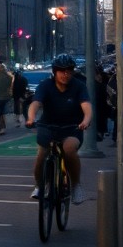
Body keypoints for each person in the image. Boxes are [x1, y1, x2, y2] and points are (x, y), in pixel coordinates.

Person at [26, 53, 93, 205]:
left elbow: (87, 107)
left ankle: (75, 186)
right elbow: (35, 103)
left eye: (69, 70)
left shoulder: (79, 86)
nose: (65, 74)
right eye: (62, 71)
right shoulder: (46, 85)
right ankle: (40, 185)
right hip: (48, 126)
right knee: (42, 155)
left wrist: (86, 120)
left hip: (72, 128)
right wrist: (31, 118)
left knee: (69, 149)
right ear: (55, 72)